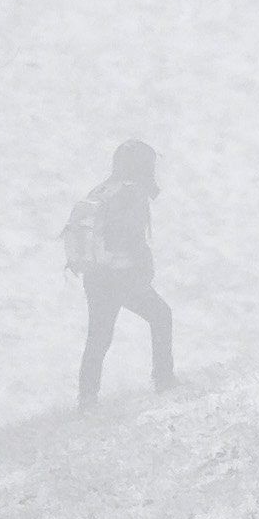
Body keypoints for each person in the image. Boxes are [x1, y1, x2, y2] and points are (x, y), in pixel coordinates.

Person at [65, 136, 174, 410]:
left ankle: (87, 398)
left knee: (99, 335)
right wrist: (143, 268)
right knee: (161, 315)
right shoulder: (132, 193)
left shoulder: (101, 190)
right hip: (122, 274)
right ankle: (163, 379)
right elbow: (132, 237)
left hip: (95, 275)